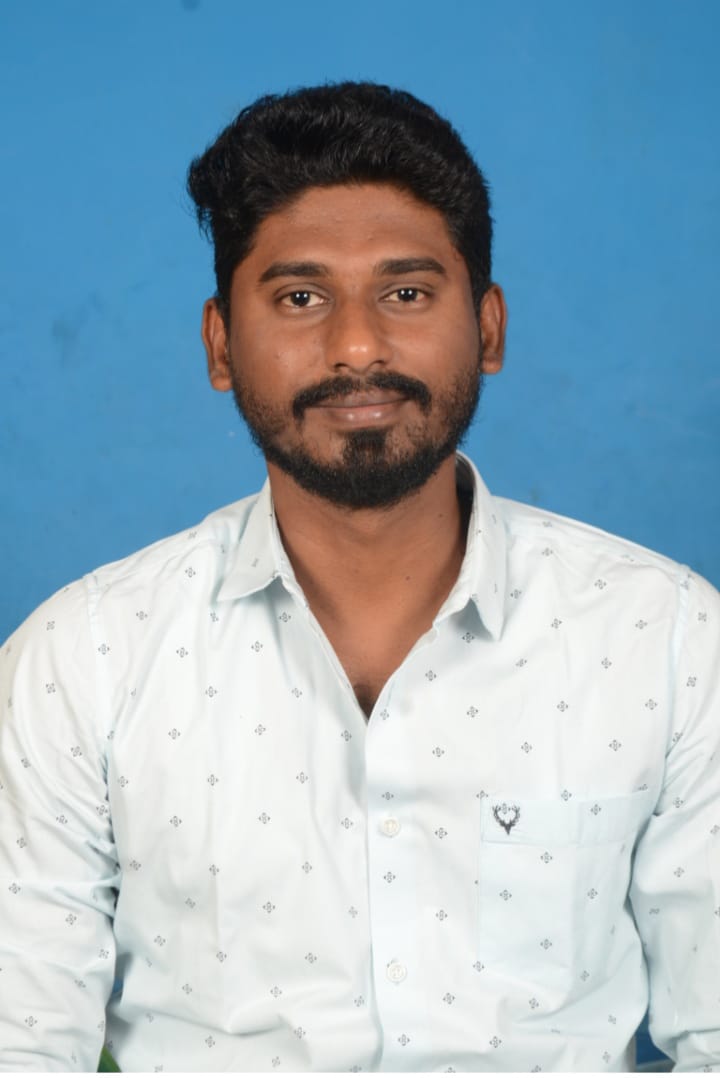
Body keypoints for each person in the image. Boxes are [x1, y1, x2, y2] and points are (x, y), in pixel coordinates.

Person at [0, 81, 718, 1074]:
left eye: (407, 293)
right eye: (300, 298)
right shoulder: (81, 661)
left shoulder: (667, 641)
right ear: (220, 343)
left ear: (490, 329)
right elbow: (21, 1043)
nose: (356, 347)